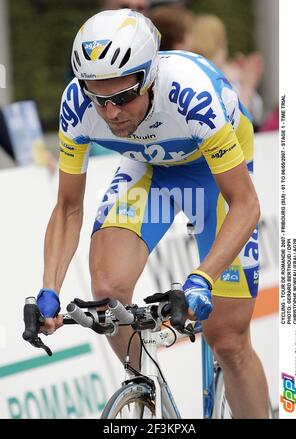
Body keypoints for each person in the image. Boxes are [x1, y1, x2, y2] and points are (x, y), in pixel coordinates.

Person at [36, 9, 269, 418]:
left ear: (149, 77)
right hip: (149, 168)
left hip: (212, 172)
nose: (111, 113)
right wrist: (48, 290)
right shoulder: (76, 102)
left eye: (123, 97)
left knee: (228, 340)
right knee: (107, 287)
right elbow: (69, 207)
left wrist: (201, 279)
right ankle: (144, 390)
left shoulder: (190, 93)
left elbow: (246, 204)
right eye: (99, 98)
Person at [191, 14, 264, 130]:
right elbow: (234, 120)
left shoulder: (224, 71)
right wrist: (248, 84)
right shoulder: (207, 78)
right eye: (222, 42)